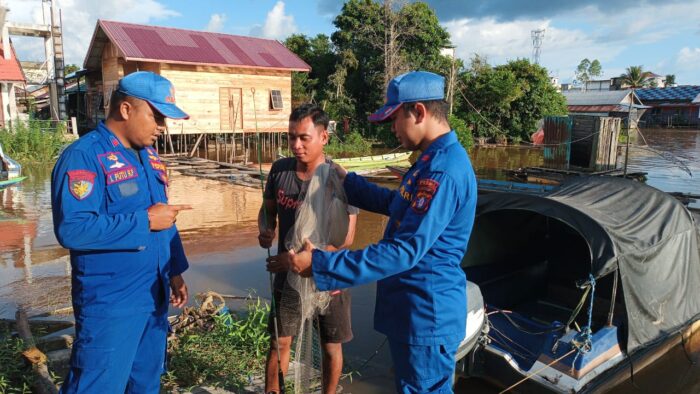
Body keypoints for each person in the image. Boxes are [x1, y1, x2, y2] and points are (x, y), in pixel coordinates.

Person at [283, 71, 478, 393]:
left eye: (395, 119)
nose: (392, 129)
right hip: (412, 308)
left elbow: (405, 250)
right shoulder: (430, 162)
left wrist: (320, 264)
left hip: (425, 311)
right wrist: (350, 183)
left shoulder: (443, 170)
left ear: (418, 112)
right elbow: (399, 204)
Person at [52, 71, 192, 393]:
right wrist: (143, 222)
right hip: (111, 304)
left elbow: (164, 217)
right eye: (156, 116)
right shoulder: (84, 156)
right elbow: (72, 229)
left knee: (145, 382)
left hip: (153, 296)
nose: (162, 126)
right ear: (126, 110)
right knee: (98, 385)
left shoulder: (150, 158)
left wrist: (175, 271)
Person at [259, 104, 358, 394]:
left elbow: (345, 238)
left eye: (304, 137)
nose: (296, 145)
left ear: (324, 137)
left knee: (330, 346)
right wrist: (266, 229)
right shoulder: (280, 170)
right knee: (280, 341)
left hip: (330, 277)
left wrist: (300, 260)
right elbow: (267, 211)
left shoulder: (339, 178)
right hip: (288, 277)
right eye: (291, 137)